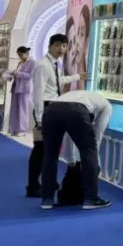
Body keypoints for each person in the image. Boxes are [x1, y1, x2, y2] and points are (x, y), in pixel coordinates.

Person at [27, 34, 82, 198]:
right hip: (45, 109)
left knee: (51, 149)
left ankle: (48, 181)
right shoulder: (43, 65)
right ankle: (33, 186)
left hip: (52, 108)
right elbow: (38, 93)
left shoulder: (54, 64)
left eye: (64, 46)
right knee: (40, 149)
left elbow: (57, 81)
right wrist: (39, 118)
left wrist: (77, 77)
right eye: (57, 45)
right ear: (50, 46)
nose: (61, 49)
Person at [39, 89, 112, 211]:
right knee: (89, 150)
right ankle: (91, 199)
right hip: (76, 111)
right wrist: (93, 164)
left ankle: (47, 199)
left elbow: (69, 134)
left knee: (50, 154)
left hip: (51, 110)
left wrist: (71, 161)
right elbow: (96, 137)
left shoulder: (83, 95)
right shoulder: (107, 106)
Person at [5, 47, 36, 136]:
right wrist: (10, 74)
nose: (20, 56)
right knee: (14, 109)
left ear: (27, 53)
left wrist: (18, 73)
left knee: (22, 109)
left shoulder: (33, 62)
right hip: (16, 87)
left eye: (21, 54)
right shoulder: (20, 63)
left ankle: (22, 130)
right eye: (18, 55)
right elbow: (16, 74)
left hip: (24, 89)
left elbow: (30, 76)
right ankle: (13, 129)